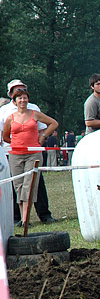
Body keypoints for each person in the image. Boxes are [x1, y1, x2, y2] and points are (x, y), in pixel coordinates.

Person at [1, 79, 57, 224]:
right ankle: (20, 218)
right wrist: (15, 144)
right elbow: (4, 135)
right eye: (17, 92)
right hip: (13, 154)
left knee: (32, 184)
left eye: (23, 92)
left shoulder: (34, 109)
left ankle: (41, 215)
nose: (22, 98)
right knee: (18, 186)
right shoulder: (5, 112)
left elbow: (47, 126)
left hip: (33, 152)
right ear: (11, 95)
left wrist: (42, 138)